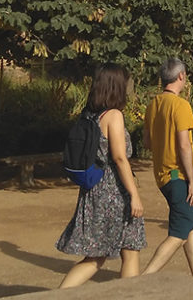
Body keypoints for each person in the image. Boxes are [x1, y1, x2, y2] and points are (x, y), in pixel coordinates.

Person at [56, 63, 147, 288]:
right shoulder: (113, 115)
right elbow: (119, 157)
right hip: (115, 192)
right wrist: (134, 194)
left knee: (108, 252)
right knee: (126, 249)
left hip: (94, 189)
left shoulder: (90, 114)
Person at [141, 58, 193, 278]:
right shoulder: (181, 105)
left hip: (162, 175)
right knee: (179, 233)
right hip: (177, 176)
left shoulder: (153, 104)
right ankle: (143, 279)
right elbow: (184, 146)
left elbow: (147, 142)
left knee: (191, 223)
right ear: (181, 76)